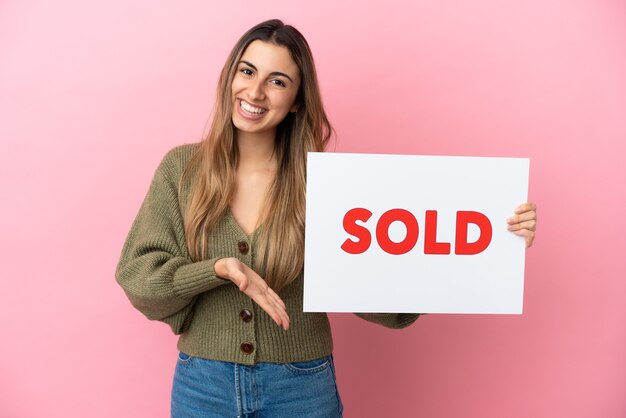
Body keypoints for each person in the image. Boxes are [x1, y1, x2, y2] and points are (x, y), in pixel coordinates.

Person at [115, 19, 537, 418]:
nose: (256, 92)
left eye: (277, 81)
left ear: (297, 100)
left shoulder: (326, 182)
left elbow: (379, 297)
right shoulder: (182, 169)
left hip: (301, 385)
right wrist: (217, 270)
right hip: (202, 382)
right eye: (247, 71)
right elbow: (139, 278)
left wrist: (495, 243)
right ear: (230, 77)